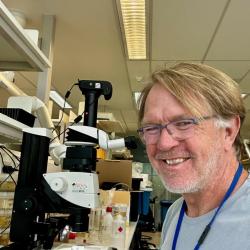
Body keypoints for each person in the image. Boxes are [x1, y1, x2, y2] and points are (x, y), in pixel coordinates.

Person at [137, 62, 250, 250]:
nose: (164, 143)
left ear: (228, 131)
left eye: (183, 123)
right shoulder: (176, 213)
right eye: (151, 128)